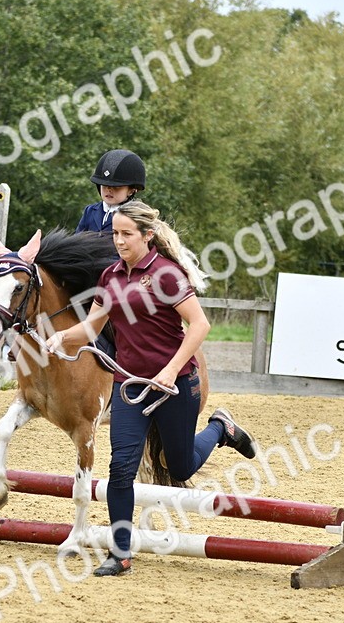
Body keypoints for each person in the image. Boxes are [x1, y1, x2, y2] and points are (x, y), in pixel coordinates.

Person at [46, 201, 258, 577]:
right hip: (130, 386)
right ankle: (121, 553)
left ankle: (220, 429)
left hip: (176, 386)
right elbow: (92, 328)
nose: (119, 240)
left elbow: (199, 325)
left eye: (127, 234)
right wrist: (61, 335)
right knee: (121, 467)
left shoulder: (167, 274)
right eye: (115, 234)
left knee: (178, 465)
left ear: (147, 236)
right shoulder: (110, 276)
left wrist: (170, 370)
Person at [75, 149, 145, 233]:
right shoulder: (90, 211)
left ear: (131, 191)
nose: (108, 190)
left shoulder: (136, 217)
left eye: (116, 186)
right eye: (104, 185)